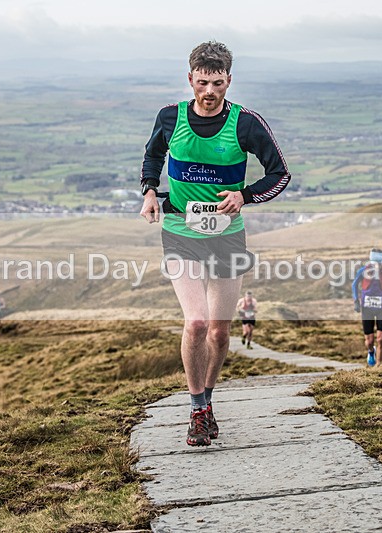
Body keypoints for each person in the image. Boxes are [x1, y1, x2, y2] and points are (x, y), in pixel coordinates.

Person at [140, 41, 290, 446]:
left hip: (226, 238)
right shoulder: (170, 117)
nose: (209, 91)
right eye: (202, 82)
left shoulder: (245, 123)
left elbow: (279, 173)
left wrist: (245, 196)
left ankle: (208, 397)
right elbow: (153, 155)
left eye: (218, 83)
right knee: (197, 322)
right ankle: (197, 410)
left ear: (229, 81)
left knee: (220, 334)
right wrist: (149, 191)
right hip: (181, 232)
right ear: (190, 79)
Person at [352, 248, 382, 367]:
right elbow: (354, 284)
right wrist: (356, 301)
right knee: (369, 341)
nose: (376, 265)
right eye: (374, 262)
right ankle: (371, 351)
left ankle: (378, 365)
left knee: (380, 339)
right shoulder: (363, 270)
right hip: (366, 308)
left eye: (378, 262)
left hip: (381, 308)